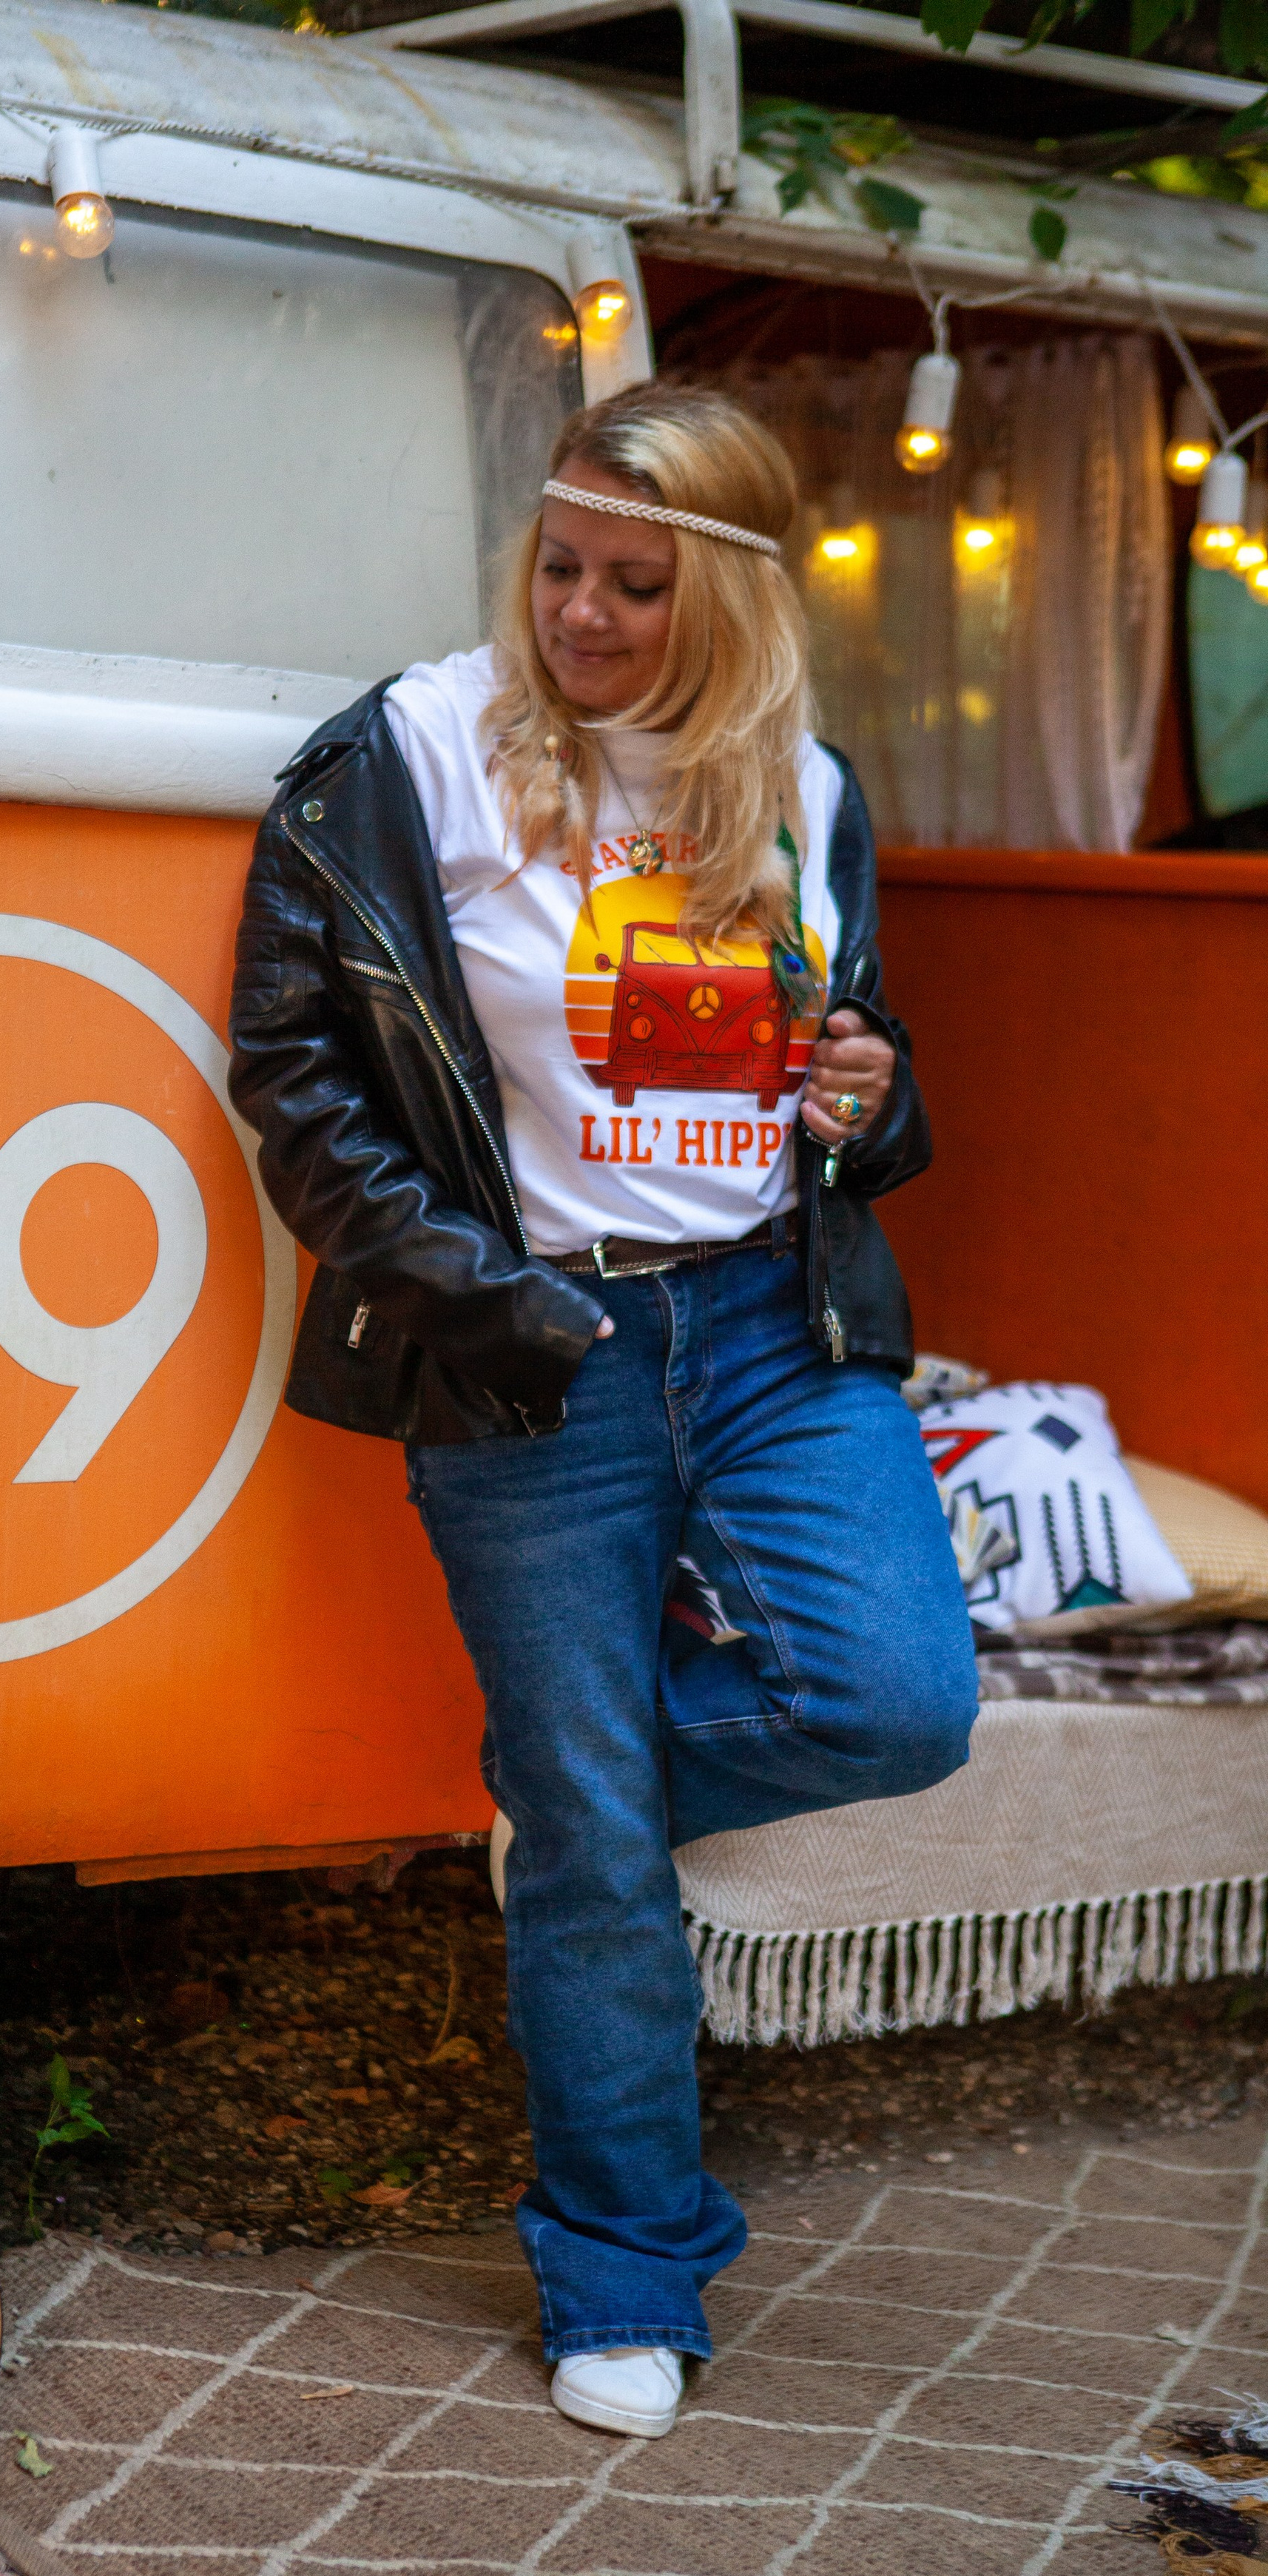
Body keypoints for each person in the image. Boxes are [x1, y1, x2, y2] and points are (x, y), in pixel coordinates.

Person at [228, 381, 977, 2440]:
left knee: (896, 1701)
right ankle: (625, 2270)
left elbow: (855, 1065)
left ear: (729, 591)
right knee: (594, 1830)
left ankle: (572, 1826)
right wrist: (489, 1299)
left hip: (764, 1323)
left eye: (637, 585)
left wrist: (872, 1094)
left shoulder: (804, 789)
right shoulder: (410, 753)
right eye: (559, 567)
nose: (580, 612)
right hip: (524, 1337)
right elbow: (293, 1078)